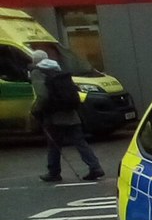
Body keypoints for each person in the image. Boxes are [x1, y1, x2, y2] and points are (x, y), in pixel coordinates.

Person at [29, 49, 104, 183]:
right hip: (71, 113)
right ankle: (95, 167)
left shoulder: (38, 72)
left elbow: (42, 95)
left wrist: (35, 109)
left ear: (35, 61)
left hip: (54, 116)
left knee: (54, 144)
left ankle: (54, 172)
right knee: (80, 143)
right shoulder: (58, 69)